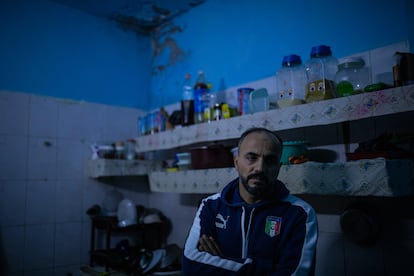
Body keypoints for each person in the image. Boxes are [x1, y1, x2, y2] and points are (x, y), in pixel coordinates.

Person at [182, 127, 318, 275]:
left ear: (278, 167)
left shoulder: (300, 214)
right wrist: (269, 267)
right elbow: (191, 265)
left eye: (270, 160)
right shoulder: (210, 206)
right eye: (252, 157)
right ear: (236, 162)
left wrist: (220, 262)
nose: (260, 168)